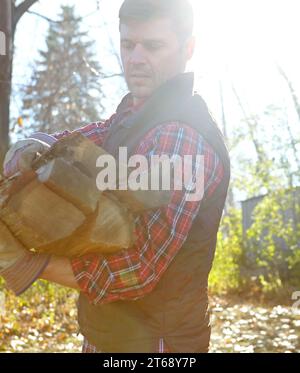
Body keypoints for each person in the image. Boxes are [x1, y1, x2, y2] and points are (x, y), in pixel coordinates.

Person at [0, 0, 230, 353]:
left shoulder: (182, 137)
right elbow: (79, 142)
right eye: (127, 44)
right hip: (109, 336)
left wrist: (27, 263)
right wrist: (30, 148)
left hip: (157, 345)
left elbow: (137, 269)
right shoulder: (132, 116)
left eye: (152, 46)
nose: (136, 58)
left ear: (188, 48)